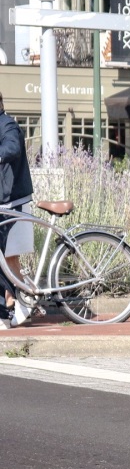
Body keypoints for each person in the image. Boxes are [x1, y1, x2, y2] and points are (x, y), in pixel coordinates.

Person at [0, 93, 34, 329]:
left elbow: (11, 148)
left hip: (12, 200)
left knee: (7, 257)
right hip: (5, 199)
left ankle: (8, 309)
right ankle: (16, 303)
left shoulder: (7, 124)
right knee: (8, 258)